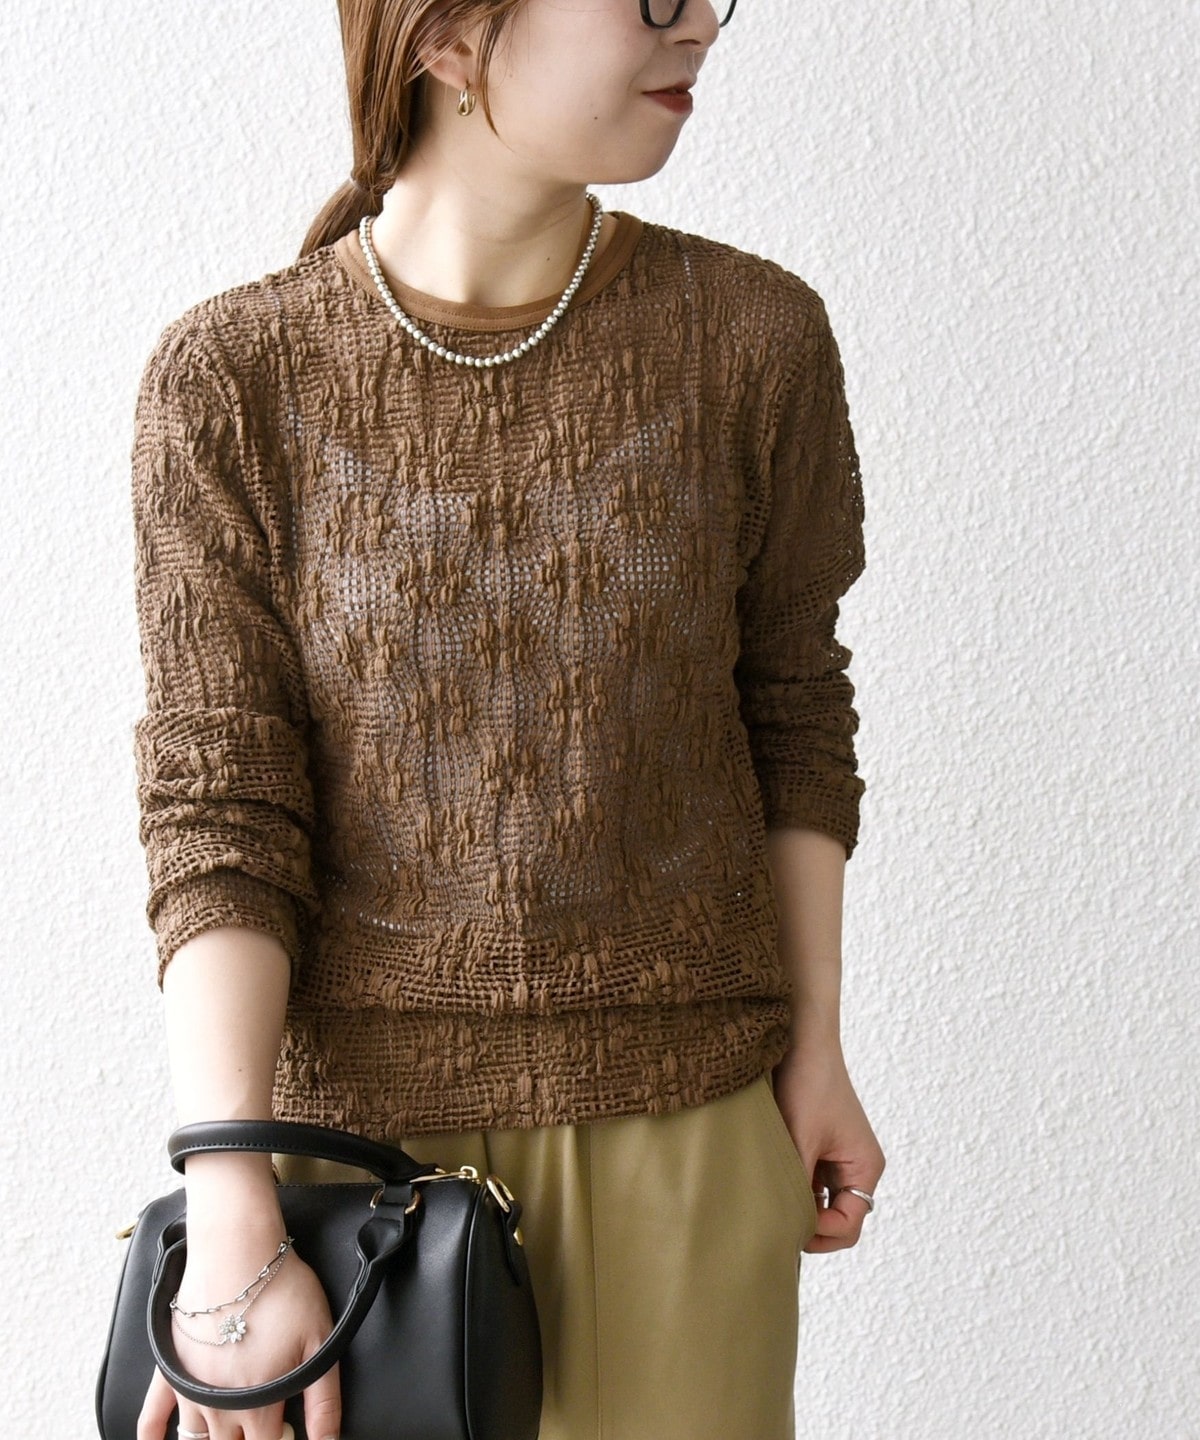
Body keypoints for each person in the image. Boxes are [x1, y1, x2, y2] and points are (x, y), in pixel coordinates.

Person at [129, 1, 886, 1438]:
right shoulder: (232, 377)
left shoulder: (753, 338)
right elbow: (220, 809)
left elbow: (793, 714)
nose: (699, 24)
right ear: (450, 37)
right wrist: (229, 1204)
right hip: (344, 1181)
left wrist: (817, 1047)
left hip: (690, 1140)